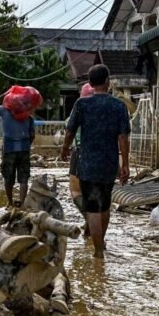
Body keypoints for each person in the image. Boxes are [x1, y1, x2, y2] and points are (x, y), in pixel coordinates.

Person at [61, 67, 130, 257]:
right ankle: (101, 243)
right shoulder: (118, 106)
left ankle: (98, 250)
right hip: (109, 162)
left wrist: (65, 149)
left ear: (90, 84)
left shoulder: (82, 104)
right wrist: (125, 164)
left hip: (87, 162)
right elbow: (123, 137)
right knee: (105, 205)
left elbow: (70, 131)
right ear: (108, 81)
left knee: (92, 208)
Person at [0, 99, 36, 207]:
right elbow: (32, 134)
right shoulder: (28, 116)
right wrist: (27, 144)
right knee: (23, 178)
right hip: (24, 150)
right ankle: (22, 203)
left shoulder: (4, 111)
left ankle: (10, 203)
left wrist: (2, 95)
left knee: (8, 177)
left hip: (9, 150)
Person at [66, 82, 94, 235]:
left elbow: (69, 130)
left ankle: (90, 219)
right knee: (93, 193)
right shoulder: (106, 109)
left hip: (80, 152)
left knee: (76, 191)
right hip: (101, 155)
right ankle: (91, 226)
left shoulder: (79, 108)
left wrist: (64, 148)